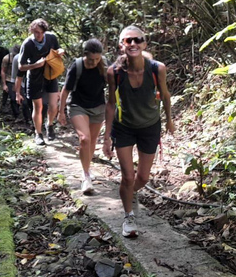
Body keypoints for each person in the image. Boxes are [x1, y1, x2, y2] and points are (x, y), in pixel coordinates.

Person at [103, 26, 174, 238]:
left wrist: (170, 120)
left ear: (144, 43)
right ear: (121, 45)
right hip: (124, 127)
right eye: (128, 41)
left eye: (137, 40)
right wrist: (106, 137)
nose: (133, 44)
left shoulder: (157, 68)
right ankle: (128, 216)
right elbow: (110, 104)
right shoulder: (114, 72)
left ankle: (129, 194)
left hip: (150, 126)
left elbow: (166, 94)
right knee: (127, 176)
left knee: (142, 177)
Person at [58, 39, 108, 194]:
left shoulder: (105, 64)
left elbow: (115, 84)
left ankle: (87, 166)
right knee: (84, 139)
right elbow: (65, 90)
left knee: (92, 141)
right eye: (91, 59)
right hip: (78, 106)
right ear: (85, 55)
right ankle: (86, 176)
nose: (94, 62)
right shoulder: (77, 66)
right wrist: (61, 112)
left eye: (97, 59)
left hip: (98, 107)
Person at [18, 19, 64, 145]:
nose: (37, 35)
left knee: (54, 105)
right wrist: (34, 65)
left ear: (44, 31)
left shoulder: (51, 38)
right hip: (34, 78)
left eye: (40, 32)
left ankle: (49, 125)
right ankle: (38, 134)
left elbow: (57, 48)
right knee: (38, 107)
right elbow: (21, 66)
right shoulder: (27, 44)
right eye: (35, 32)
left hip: (50, 74)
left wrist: (60, 50)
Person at [2, 45, 21, 118]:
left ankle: (18, 111)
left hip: (19, 79)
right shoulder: (7, 58)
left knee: (19, 97)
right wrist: (4, 84)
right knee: (13, 97)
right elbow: (3, 71)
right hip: (9, 79)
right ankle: (16, 114)